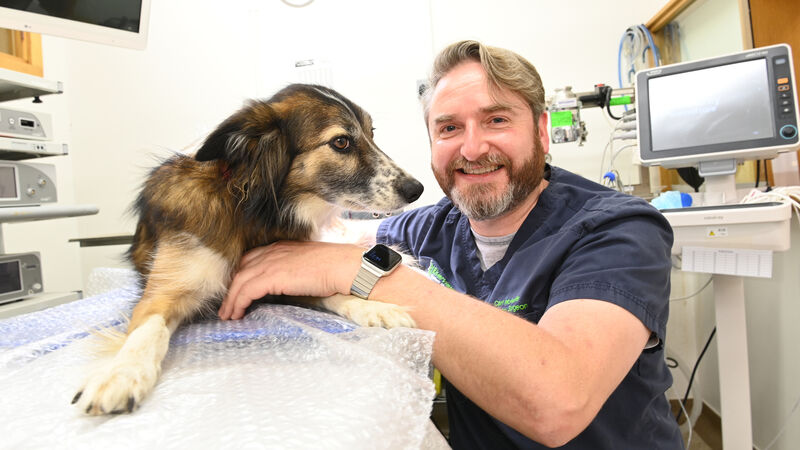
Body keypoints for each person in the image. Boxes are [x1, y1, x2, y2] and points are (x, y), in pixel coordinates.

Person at [219, 40, 684, 449]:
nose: (473, 148)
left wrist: (357, 269)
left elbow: (557, 404)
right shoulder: (428, 230)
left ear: (541, 131)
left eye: (496, 120)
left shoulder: (619, 231)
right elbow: (325, 244)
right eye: (448, 128)